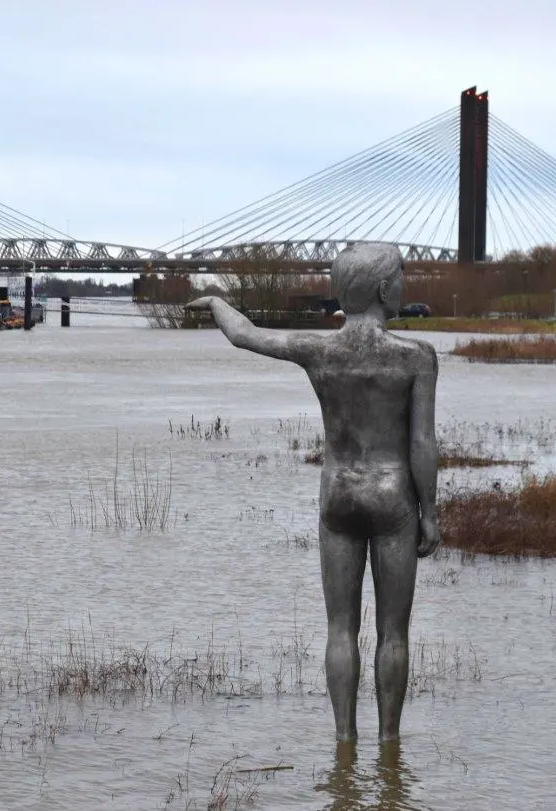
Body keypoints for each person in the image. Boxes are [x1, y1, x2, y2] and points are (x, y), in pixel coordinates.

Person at [186, 242, 440, 743]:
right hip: (391, 497)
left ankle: (344, 744)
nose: (404, 285)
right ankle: (389, 746)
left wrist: (216, 302)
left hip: (338, 496)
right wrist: (429, 511)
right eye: (400, 277)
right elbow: (422, 443)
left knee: (340, 628)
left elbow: (245, 335)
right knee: (393, 632)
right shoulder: (416, 358)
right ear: (384, 288)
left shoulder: (319, 350)